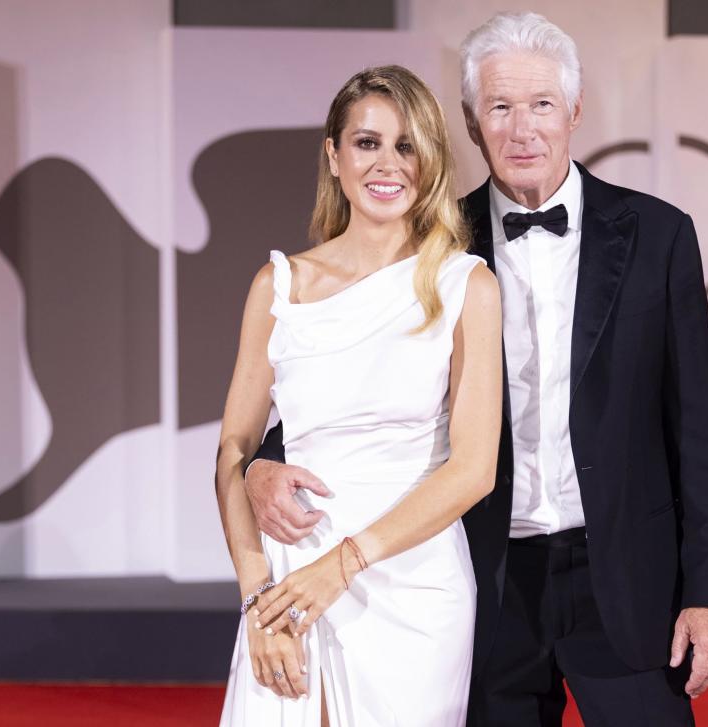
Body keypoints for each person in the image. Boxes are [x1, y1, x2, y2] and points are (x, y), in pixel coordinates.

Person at [247, 12, 708, 726]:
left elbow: (698, 425)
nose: (522, 128)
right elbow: (347, 385)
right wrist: (266, 459)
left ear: (575, 110)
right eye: (499, 108)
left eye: (541, 104)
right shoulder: (430, 247)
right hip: (483, 578)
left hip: (629, 578)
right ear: (473, 125)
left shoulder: (660, 235)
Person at [214, 65, 502, 726]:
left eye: (407, 145)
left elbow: (474, 468)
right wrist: (259, 596)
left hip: (412, 583)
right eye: (367, 142)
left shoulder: (466, 286)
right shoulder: (279, 285)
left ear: (429, 162)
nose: (388, 163)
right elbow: (233, 447)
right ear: (334, 156)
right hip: (287, 580)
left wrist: (345, 563)